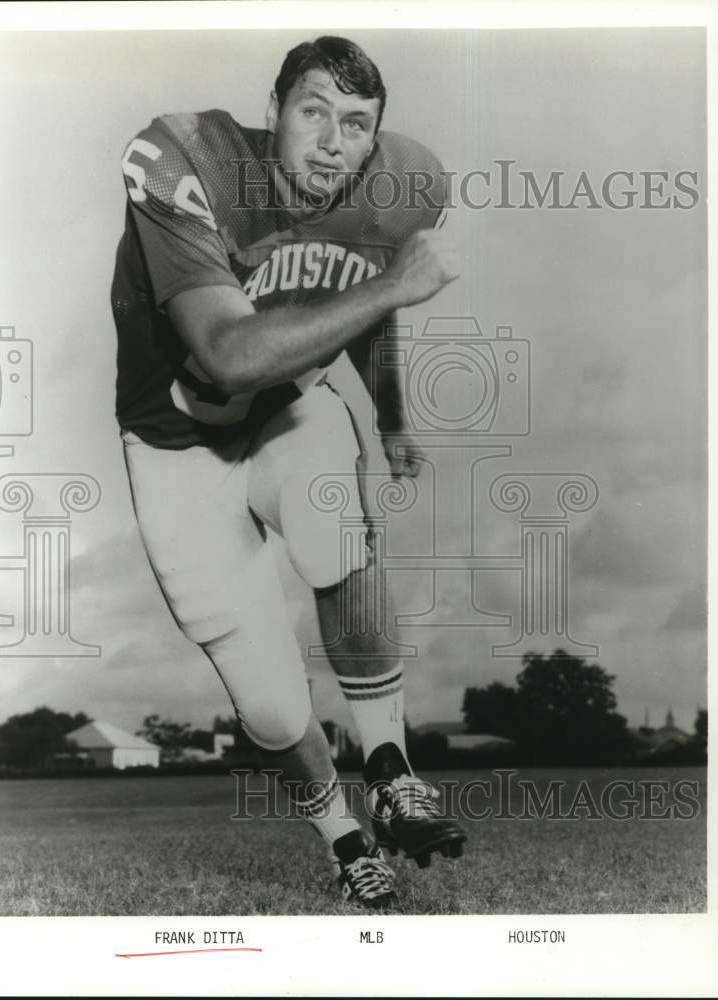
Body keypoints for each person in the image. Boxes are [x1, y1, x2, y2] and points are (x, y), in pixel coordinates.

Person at [111, 35, 464, 909]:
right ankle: (346, 841)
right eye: (313, 112)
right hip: (176, 442)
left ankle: (391, 769)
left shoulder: (396, 187)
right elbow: (231, 355)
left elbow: (368, 295)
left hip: (288, 412)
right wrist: (391, 291)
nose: (333, 141)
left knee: (327, 517)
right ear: (274, 110)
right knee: (268, 703)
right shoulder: (185, 160)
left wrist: (390, 419)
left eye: (355, 124)